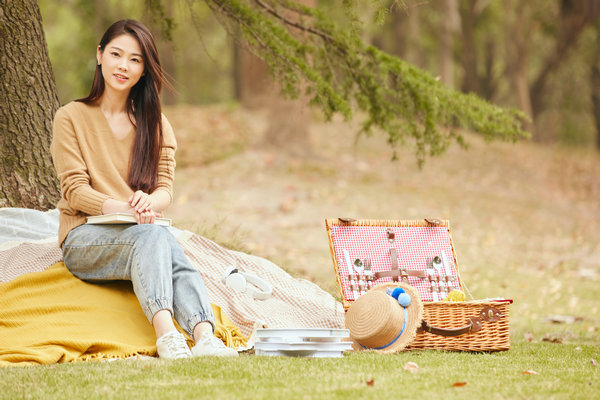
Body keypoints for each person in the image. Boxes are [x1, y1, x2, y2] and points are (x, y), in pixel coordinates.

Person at [50, 19, 237, 359]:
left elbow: (165, 188)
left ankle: (205, 335)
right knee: (155, 237)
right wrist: (121, 207)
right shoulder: (70, 117)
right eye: (116, 54)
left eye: (134, 59)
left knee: (160, 237)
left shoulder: (155, 123)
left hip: (139, 231)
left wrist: (149, 202)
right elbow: (74, 190)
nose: (123, 66)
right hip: (84, 238)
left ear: (144, 70)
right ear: (99, 55)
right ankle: (167, 335)